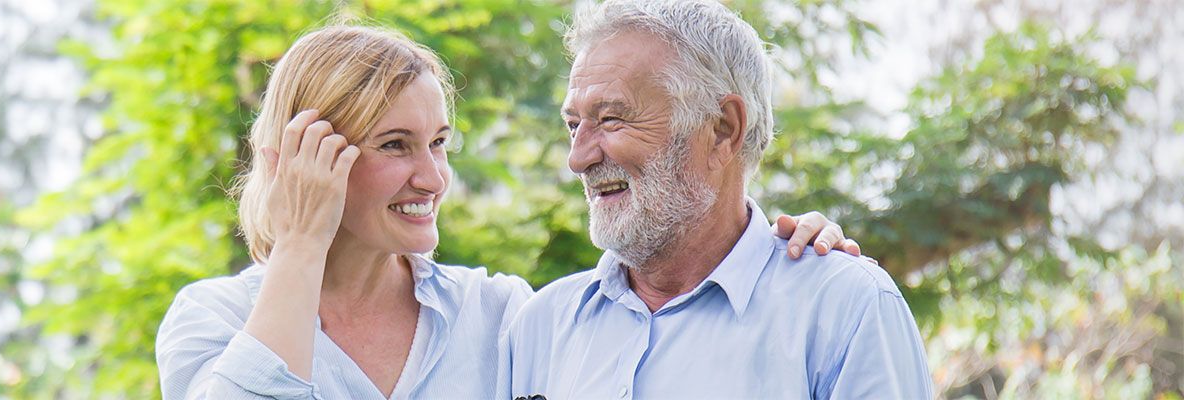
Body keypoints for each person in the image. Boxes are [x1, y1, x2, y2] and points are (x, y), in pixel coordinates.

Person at [156, 25, 865, 400]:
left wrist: (762, 246)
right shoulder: (212, 321)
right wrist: (301, 244)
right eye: (396, 145)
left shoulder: (502, 317)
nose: (432, 176)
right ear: (306, 156)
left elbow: (652, 296)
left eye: (438, 143)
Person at [505, 1, 931, 398]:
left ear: (724, 129)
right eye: (573, 124)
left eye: (611, 119)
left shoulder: (845, 308)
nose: (577, 158)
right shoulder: (540, 327)